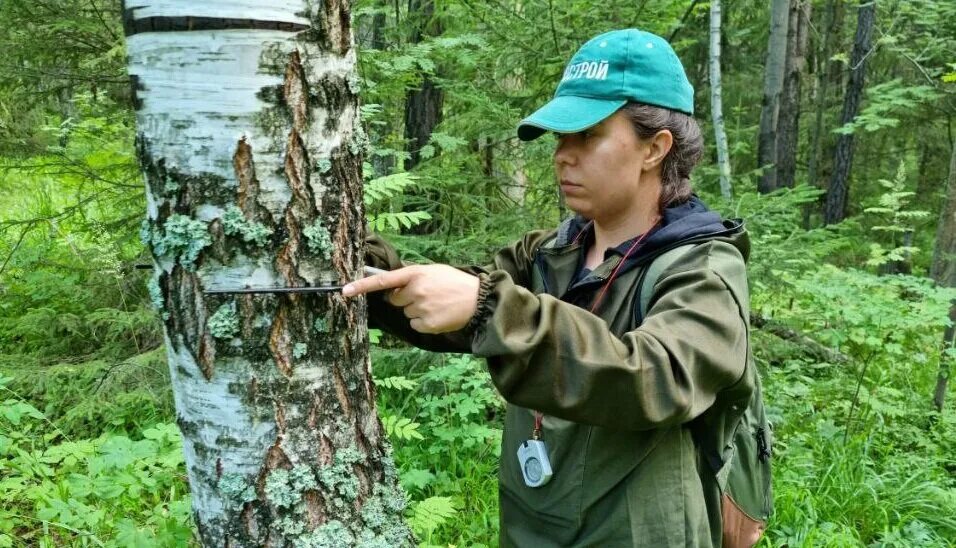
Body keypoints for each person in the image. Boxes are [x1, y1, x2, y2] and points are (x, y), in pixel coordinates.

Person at [344, 28, 767, 547]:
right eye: (560, 137)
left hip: (639, 533)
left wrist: (487, 308)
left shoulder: (702, 268)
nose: (563, 155)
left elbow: (657, 378)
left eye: (587, 135)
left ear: (656, 148)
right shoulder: (551, 252)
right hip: (534, 521)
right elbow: (462, 305)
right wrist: (361, 268)